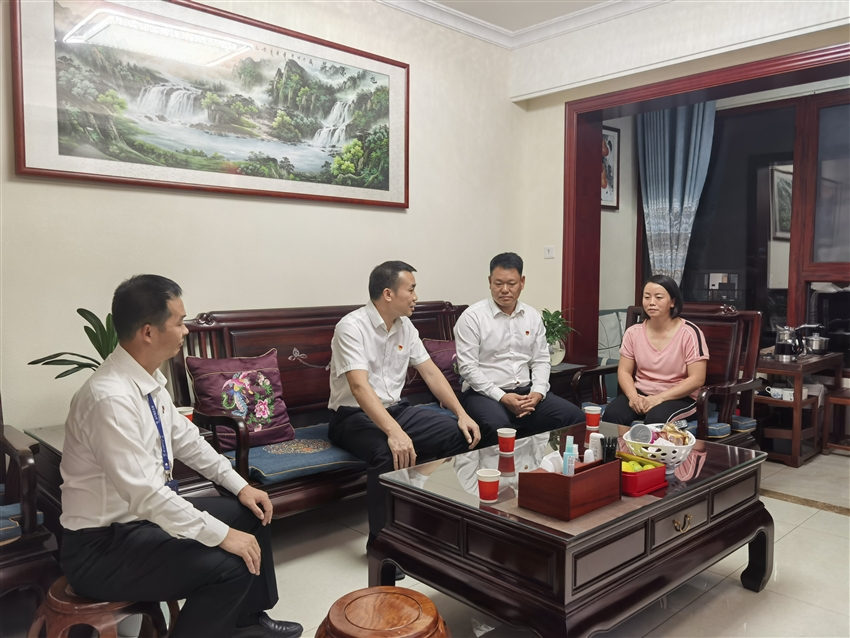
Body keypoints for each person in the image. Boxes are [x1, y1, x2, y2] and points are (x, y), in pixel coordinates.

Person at [59, 275, 302, 638]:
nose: (186, 330)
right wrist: (222, 536)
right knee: (230, 564)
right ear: (148, 332)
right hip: (102, 546)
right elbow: (145, 494)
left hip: (139, 523)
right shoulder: (109, 398)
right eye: (179, 321)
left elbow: (189, 442)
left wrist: (240, 486)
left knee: (250, 512)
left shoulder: (148, 381)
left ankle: (247, 620)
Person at [328, 261, 483, 550]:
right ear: (388, 294)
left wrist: (462, 414)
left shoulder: (406, 326)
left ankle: (417, 492)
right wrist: (394, 432)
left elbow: (431, 372)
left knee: (459, 433)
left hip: (396, 409)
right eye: (410, 290)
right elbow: (359, 387)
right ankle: (383, 544)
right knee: (387, 453)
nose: (415, 296)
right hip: (352, 417)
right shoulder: (351, 327)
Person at [453, 252, 584, 440]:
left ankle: (560, 460)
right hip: (483, 394)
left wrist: (538, 392)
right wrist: (502, 397)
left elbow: (541, 360)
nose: (505, 290)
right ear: (489, 282)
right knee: (498, 427)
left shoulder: (532, 316)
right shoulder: (472, 317)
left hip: (526, 392)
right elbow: (468, 368)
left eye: (511, 283)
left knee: (575, 417)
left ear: (522, 282)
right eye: (498, 283)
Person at [602, 275, 709, 426]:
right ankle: (620, 443)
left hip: (680, 396)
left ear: (672, 302)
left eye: (658, 297)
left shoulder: (690, 333)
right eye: (647, 297)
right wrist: (633, 397)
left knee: (656, 419)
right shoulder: (633, 332)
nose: (651, 302)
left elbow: (697, 378)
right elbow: (624, 371)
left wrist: (659, 398)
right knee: (612, 414)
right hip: (641, 392)